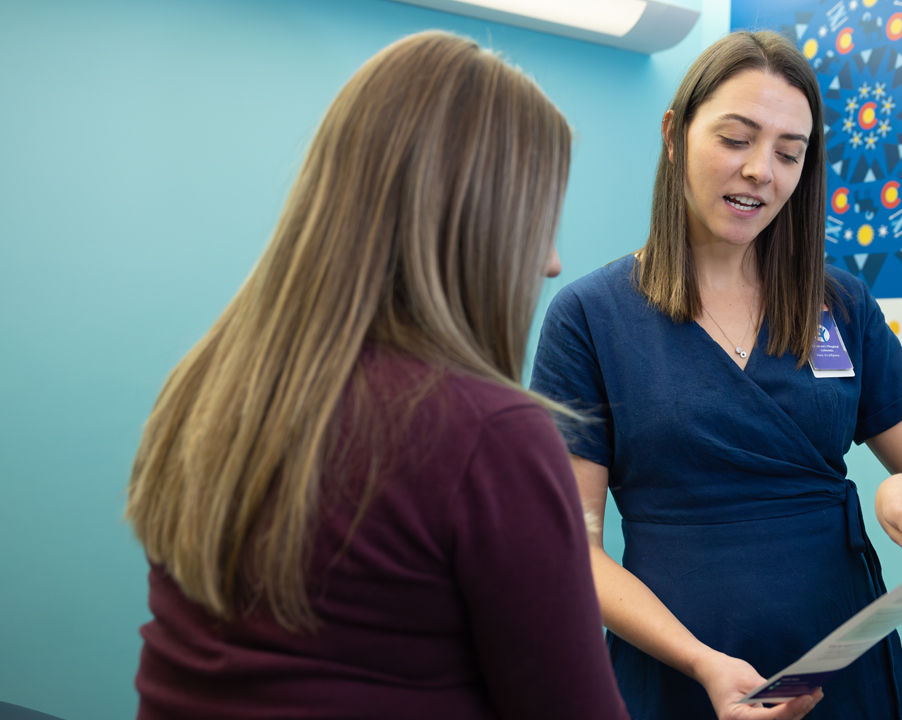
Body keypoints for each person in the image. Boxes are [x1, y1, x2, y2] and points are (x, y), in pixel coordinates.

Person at [126, 31, 628, 720]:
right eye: (538, 221)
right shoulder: (488, 436)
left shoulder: (206, 386)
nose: (551, 261)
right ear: (473, 224)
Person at [531, 30, 902, 720]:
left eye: (789, 153)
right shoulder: (589, 317)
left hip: (841, 667)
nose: (761, 172)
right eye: (736, 140)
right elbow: (571, 551)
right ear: (675, 135)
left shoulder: (839, 304)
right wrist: (700, 663)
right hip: (682, 674)